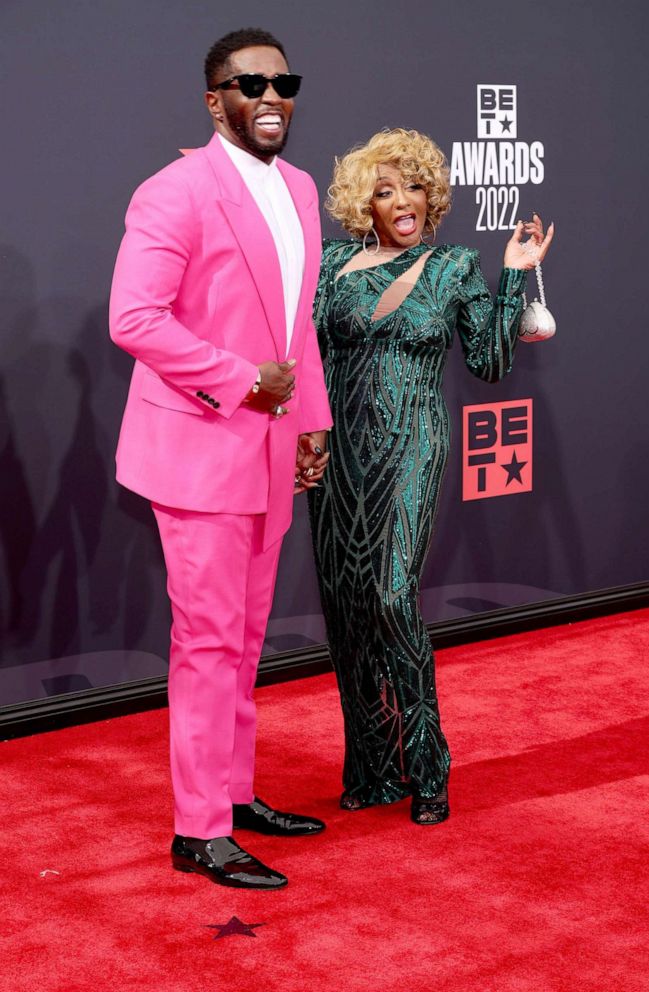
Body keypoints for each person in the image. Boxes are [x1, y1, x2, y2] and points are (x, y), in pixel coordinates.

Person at [109, 28, 332, 890]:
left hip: (272, 449)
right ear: (216, 100)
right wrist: (243, 382)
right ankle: (197, 830)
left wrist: (306, 417)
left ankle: (235, 796)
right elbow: (135, 319)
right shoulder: (174, 192)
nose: (271, 97)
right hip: (198, 451)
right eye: (250, 84)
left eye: (283, 83)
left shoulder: (302, 190)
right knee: (205, 642)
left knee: (242, 639)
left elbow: (297, 319)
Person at [308, 128, 553, 825]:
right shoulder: (330, 266)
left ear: (430, 195)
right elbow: (301, 351)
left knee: (387, 596)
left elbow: (490, 362)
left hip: (411, 442)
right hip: (337, 452)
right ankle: (374, 767)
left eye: (412, 186)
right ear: (365, 204)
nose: (401, 201)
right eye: (383, 191)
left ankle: (427, 761)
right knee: (345, 611)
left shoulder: (453, 267)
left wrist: (511, 274)